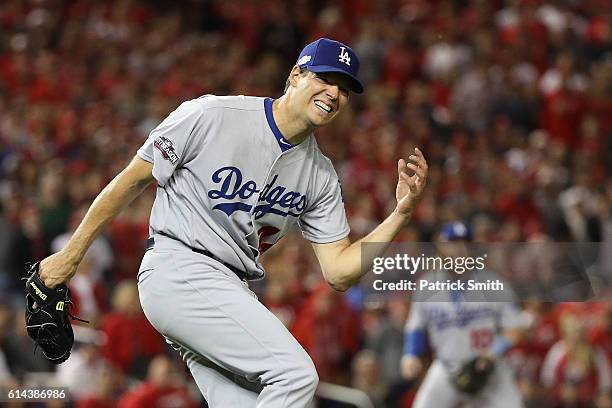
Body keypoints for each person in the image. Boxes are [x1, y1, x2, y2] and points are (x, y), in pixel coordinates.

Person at [36, 38, 428, 407]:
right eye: (325, 79)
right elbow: (133, 179)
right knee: (295, 376)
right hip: (179, 267)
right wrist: (69, 256)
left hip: (230, 292)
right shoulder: (213, 114)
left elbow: (339, 272)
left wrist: (400, 215)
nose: (334, 94)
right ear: (295, 75)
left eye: (344, 89)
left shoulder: (320, 176)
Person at [401, 221, 526, 408]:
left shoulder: (494, 284)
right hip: (446, 368)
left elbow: (515, 330)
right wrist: (411, 354)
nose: (460, 249)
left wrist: (492, 352)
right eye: (453, 242)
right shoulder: (426, 286)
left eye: (465, 243)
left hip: (489, 368)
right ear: (441, 246)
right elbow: (416, 326)